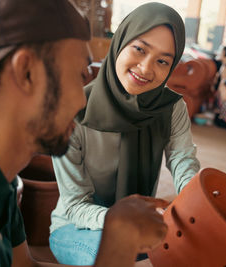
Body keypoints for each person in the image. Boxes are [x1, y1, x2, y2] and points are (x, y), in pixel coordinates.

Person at [0, 0, 168, 266]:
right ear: (26, 72)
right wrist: (117, 244)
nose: (82, 100)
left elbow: (23, 266)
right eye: (79, 75)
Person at [49, 2, 201, 265]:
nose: (145, 68)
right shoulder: (75, 110)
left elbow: (183, 162)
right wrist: (123, 225)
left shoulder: (171, 107)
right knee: (113, 257)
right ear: (121, 41)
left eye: (162, 61)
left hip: (140, 229)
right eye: (139, 49)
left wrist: (204, 201)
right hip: (77, 229)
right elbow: (75, 206)